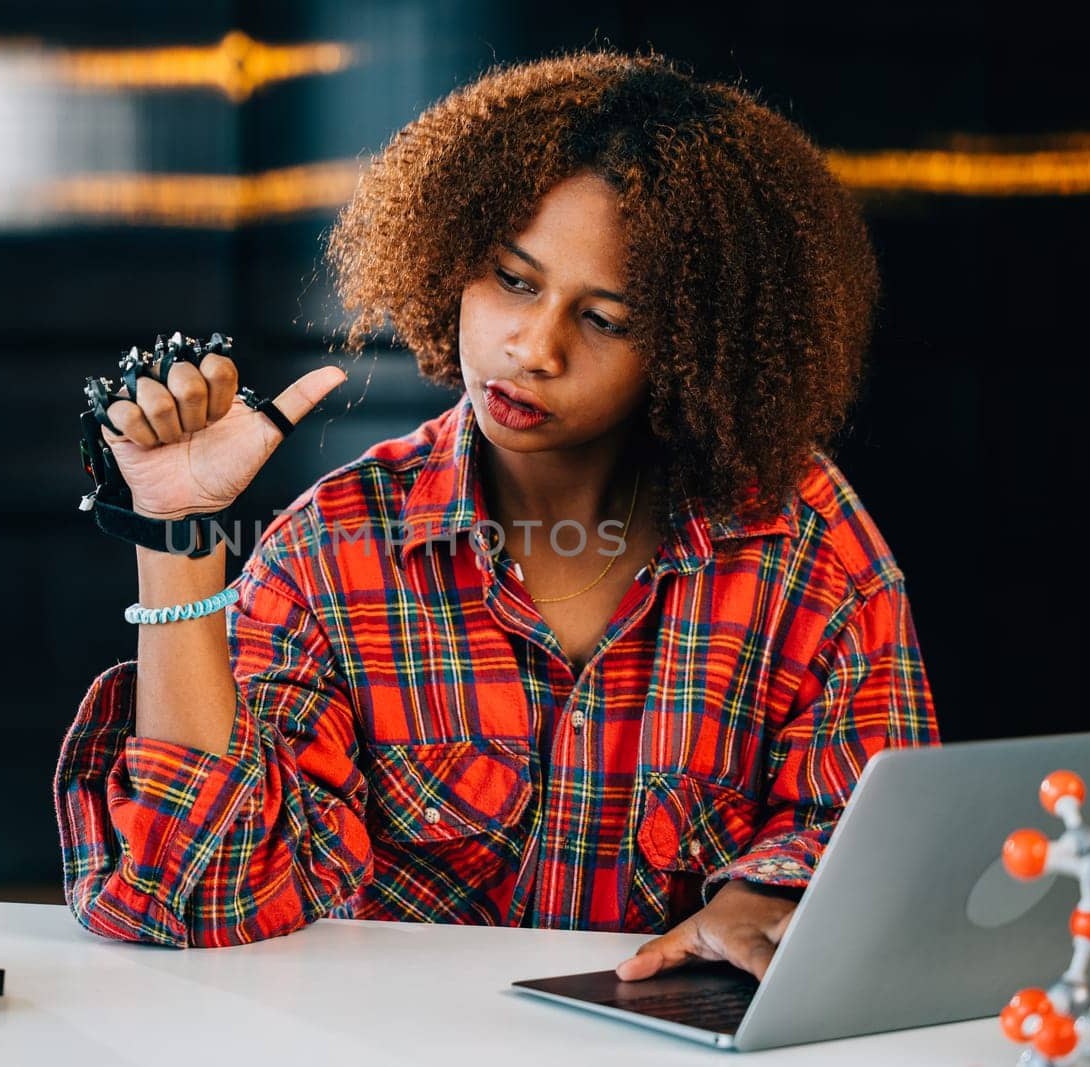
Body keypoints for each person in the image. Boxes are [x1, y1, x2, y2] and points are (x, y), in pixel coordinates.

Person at [54, 50, 938, 983]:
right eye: (515, 280)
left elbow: (877, 836)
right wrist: (176, 535)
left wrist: (772, 892)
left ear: (694, 351)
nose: (533, 346)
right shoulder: (336, 551)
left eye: (605, 319)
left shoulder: (803, 543)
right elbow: (194, 895)